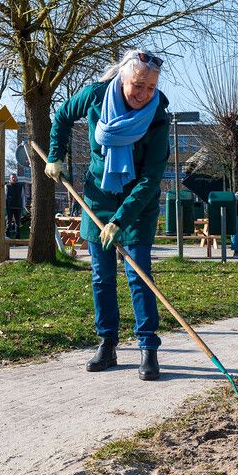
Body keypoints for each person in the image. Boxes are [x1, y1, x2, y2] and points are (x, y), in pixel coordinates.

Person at [46, 49, 168, 381]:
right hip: (98, 198)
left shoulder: (158, 117)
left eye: (151, 88)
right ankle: (108, 343)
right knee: (101, 277)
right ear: (122, 78)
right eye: (137, 85)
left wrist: (121, 220)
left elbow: (150, 179)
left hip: (137, 205)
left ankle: (148, 347)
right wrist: (55, 155)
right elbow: (61, 116)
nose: (143, 95)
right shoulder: (96, 95)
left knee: (139, 276)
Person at [5, 173, 24, 239]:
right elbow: (5, 197)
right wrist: (4, 207)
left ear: (16, 178)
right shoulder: (7, 186)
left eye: (14, 177)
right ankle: (7, 237)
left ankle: (17, 238)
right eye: (12, 177)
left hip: (18, 206)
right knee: (8, 222)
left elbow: (22, 196)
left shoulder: (20, 186)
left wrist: (23, 207)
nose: (13, 178)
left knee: (18, 223)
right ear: (10, 178)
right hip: (9, 206)